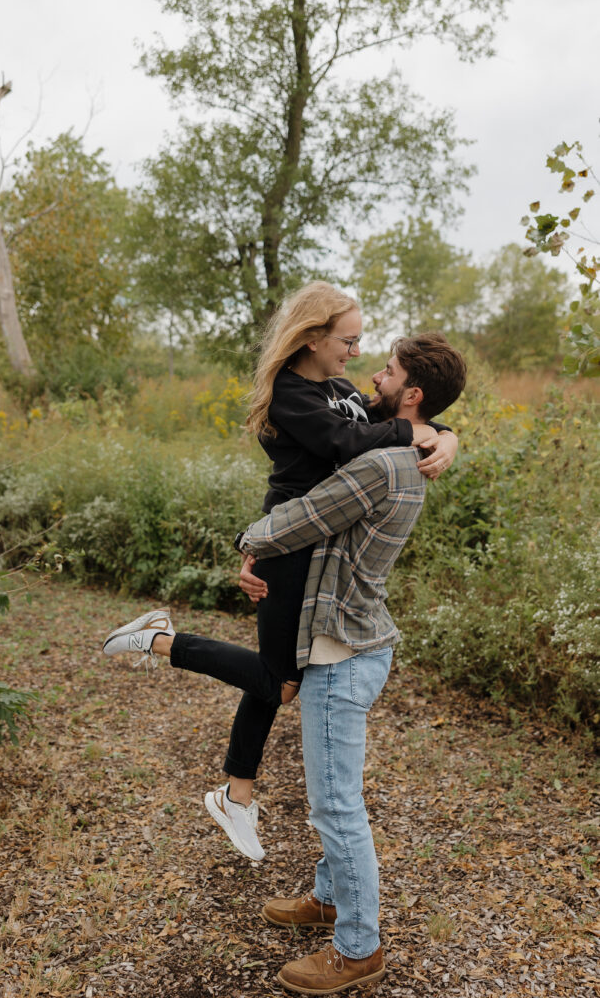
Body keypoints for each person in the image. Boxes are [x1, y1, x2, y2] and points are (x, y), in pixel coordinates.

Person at [103, 283, 458, 861]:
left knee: (274, 678)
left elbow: (395, 413)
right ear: (312, 336)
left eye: (361, 341)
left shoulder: (338, 388)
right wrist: (415, 432)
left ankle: (236, 793)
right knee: (279, 681)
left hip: (306, 542)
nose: (356, 353)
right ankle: (158, 640)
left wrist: (445, 432)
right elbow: (345, 442)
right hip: (288, 539)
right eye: (348, 339)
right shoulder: (291, 393)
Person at [234, 331, 467, 994]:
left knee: (335, 804)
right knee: (337, 794)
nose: (375, 373)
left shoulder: (381, 465)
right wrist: (445, 433)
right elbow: (362, 427)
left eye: (387, 369)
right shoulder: (406, 448)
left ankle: (358, 946)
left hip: (342, 650)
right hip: (357, 640)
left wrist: (247, 542)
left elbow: (302, 517)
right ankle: (329, 898)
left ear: (410, 394)